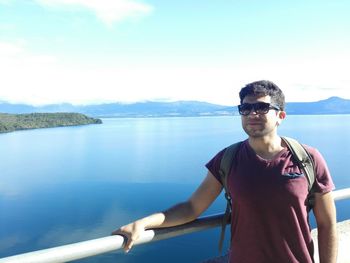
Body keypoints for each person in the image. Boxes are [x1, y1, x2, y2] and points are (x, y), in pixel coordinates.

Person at [112, 80, 338, 263]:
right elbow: (191, 207)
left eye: (261, 107)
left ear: (280, 116)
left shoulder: (307, 159)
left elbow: (327, 224)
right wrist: (143, 223)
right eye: (245, 108)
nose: (252, 114)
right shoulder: (227, 159)